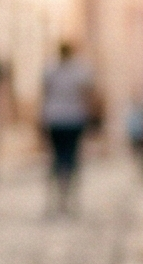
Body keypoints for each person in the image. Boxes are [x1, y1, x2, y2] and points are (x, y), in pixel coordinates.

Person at [39, 41, 99, 216]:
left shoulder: (51, 69)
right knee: (70, 159)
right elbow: (88, 94)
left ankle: (59, 198)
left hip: (57, 118)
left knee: (58, 159)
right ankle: (67, 198)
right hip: (71, 119)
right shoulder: (80, 70)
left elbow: (44, 93)